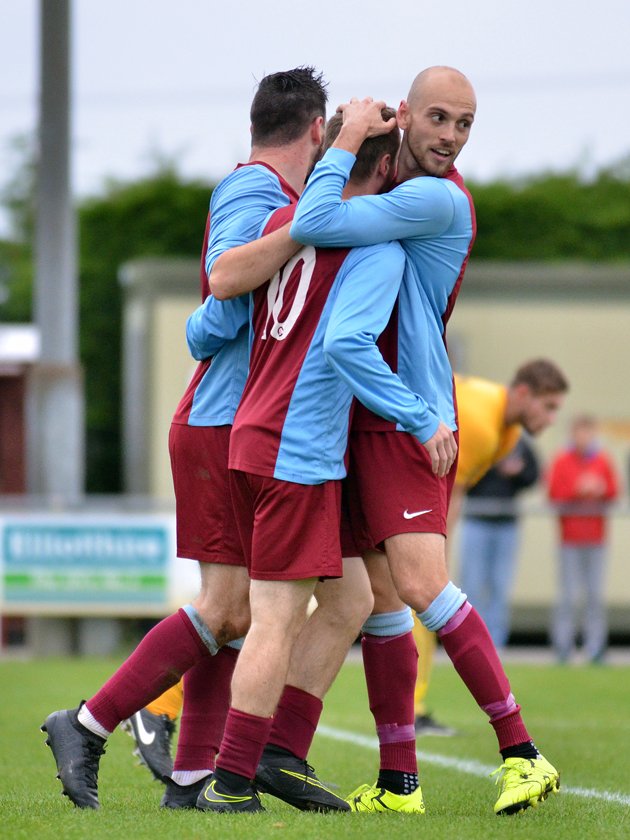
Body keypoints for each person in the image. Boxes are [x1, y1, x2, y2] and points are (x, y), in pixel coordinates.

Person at [41, 66, 346, 812]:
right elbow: (222, 289)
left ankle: (190, 778)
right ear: (315, 130)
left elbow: (214, 315)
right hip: (219, 423)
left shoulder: (273, 196)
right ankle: (87, 721)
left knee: (242, 615)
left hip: (238, 424)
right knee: (223, 607)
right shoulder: (258, 192)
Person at [289, 67, 561, 816]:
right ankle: (400, 781)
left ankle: (523, 754)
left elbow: (312, 223)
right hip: (367, 416)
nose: (450, 135)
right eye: (438, 118)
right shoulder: (396, 190)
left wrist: (344, 139)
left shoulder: (435, 200)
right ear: (406, 116)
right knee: (380, 600)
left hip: (411, 416)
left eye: (464, 124)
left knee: (419, 587)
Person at [192, 108, 466, 814]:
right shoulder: (374, 250)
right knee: (274, 617)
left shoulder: (290, 240)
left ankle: (280, 751)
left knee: (349, 597)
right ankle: (229, 781)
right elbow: (349, 348)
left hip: (254, 434)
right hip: (298, 449)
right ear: (385, 170)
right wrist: (419, 415)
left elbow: (213, 321)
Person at [413, 361, 568, 729]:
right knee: (418, 599)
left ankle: (412, 706)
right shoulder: (483, 424)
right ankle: (411, 707)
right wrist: (436, 560)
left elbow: (455, 488)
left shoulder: (508, 434)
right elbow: (446, 487)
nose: (550, 420)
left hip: (411, 492)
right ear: (524, 393)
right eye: (548, 407)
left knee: (412, 602)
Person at [546, 414, 619, 663]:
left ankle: (595, 647)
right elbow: (554, 493)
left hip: (596, 538)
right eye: (579, 433)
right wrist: (578, 489)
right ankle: (563, 646)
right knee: (567, 594)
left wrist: (599, 488)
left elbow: (613, 491)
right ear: (572, 434)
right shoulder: (562, 460)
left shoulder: (601, 460)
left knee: (595, 595)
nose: (584, 438)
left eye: (588, 433)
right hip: (569, 538)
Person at [459, 436, 539, 648]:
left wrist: (517, 473)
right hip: (476, 519)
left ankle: (496, 643)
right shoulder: (484, 440)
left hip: (507, 523)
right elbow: (463, 475)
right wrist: (493, 467)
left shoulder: (519, 443)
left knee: (500, 585)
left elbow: (533, 475)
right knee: (472, 584)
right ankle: (471, 641)